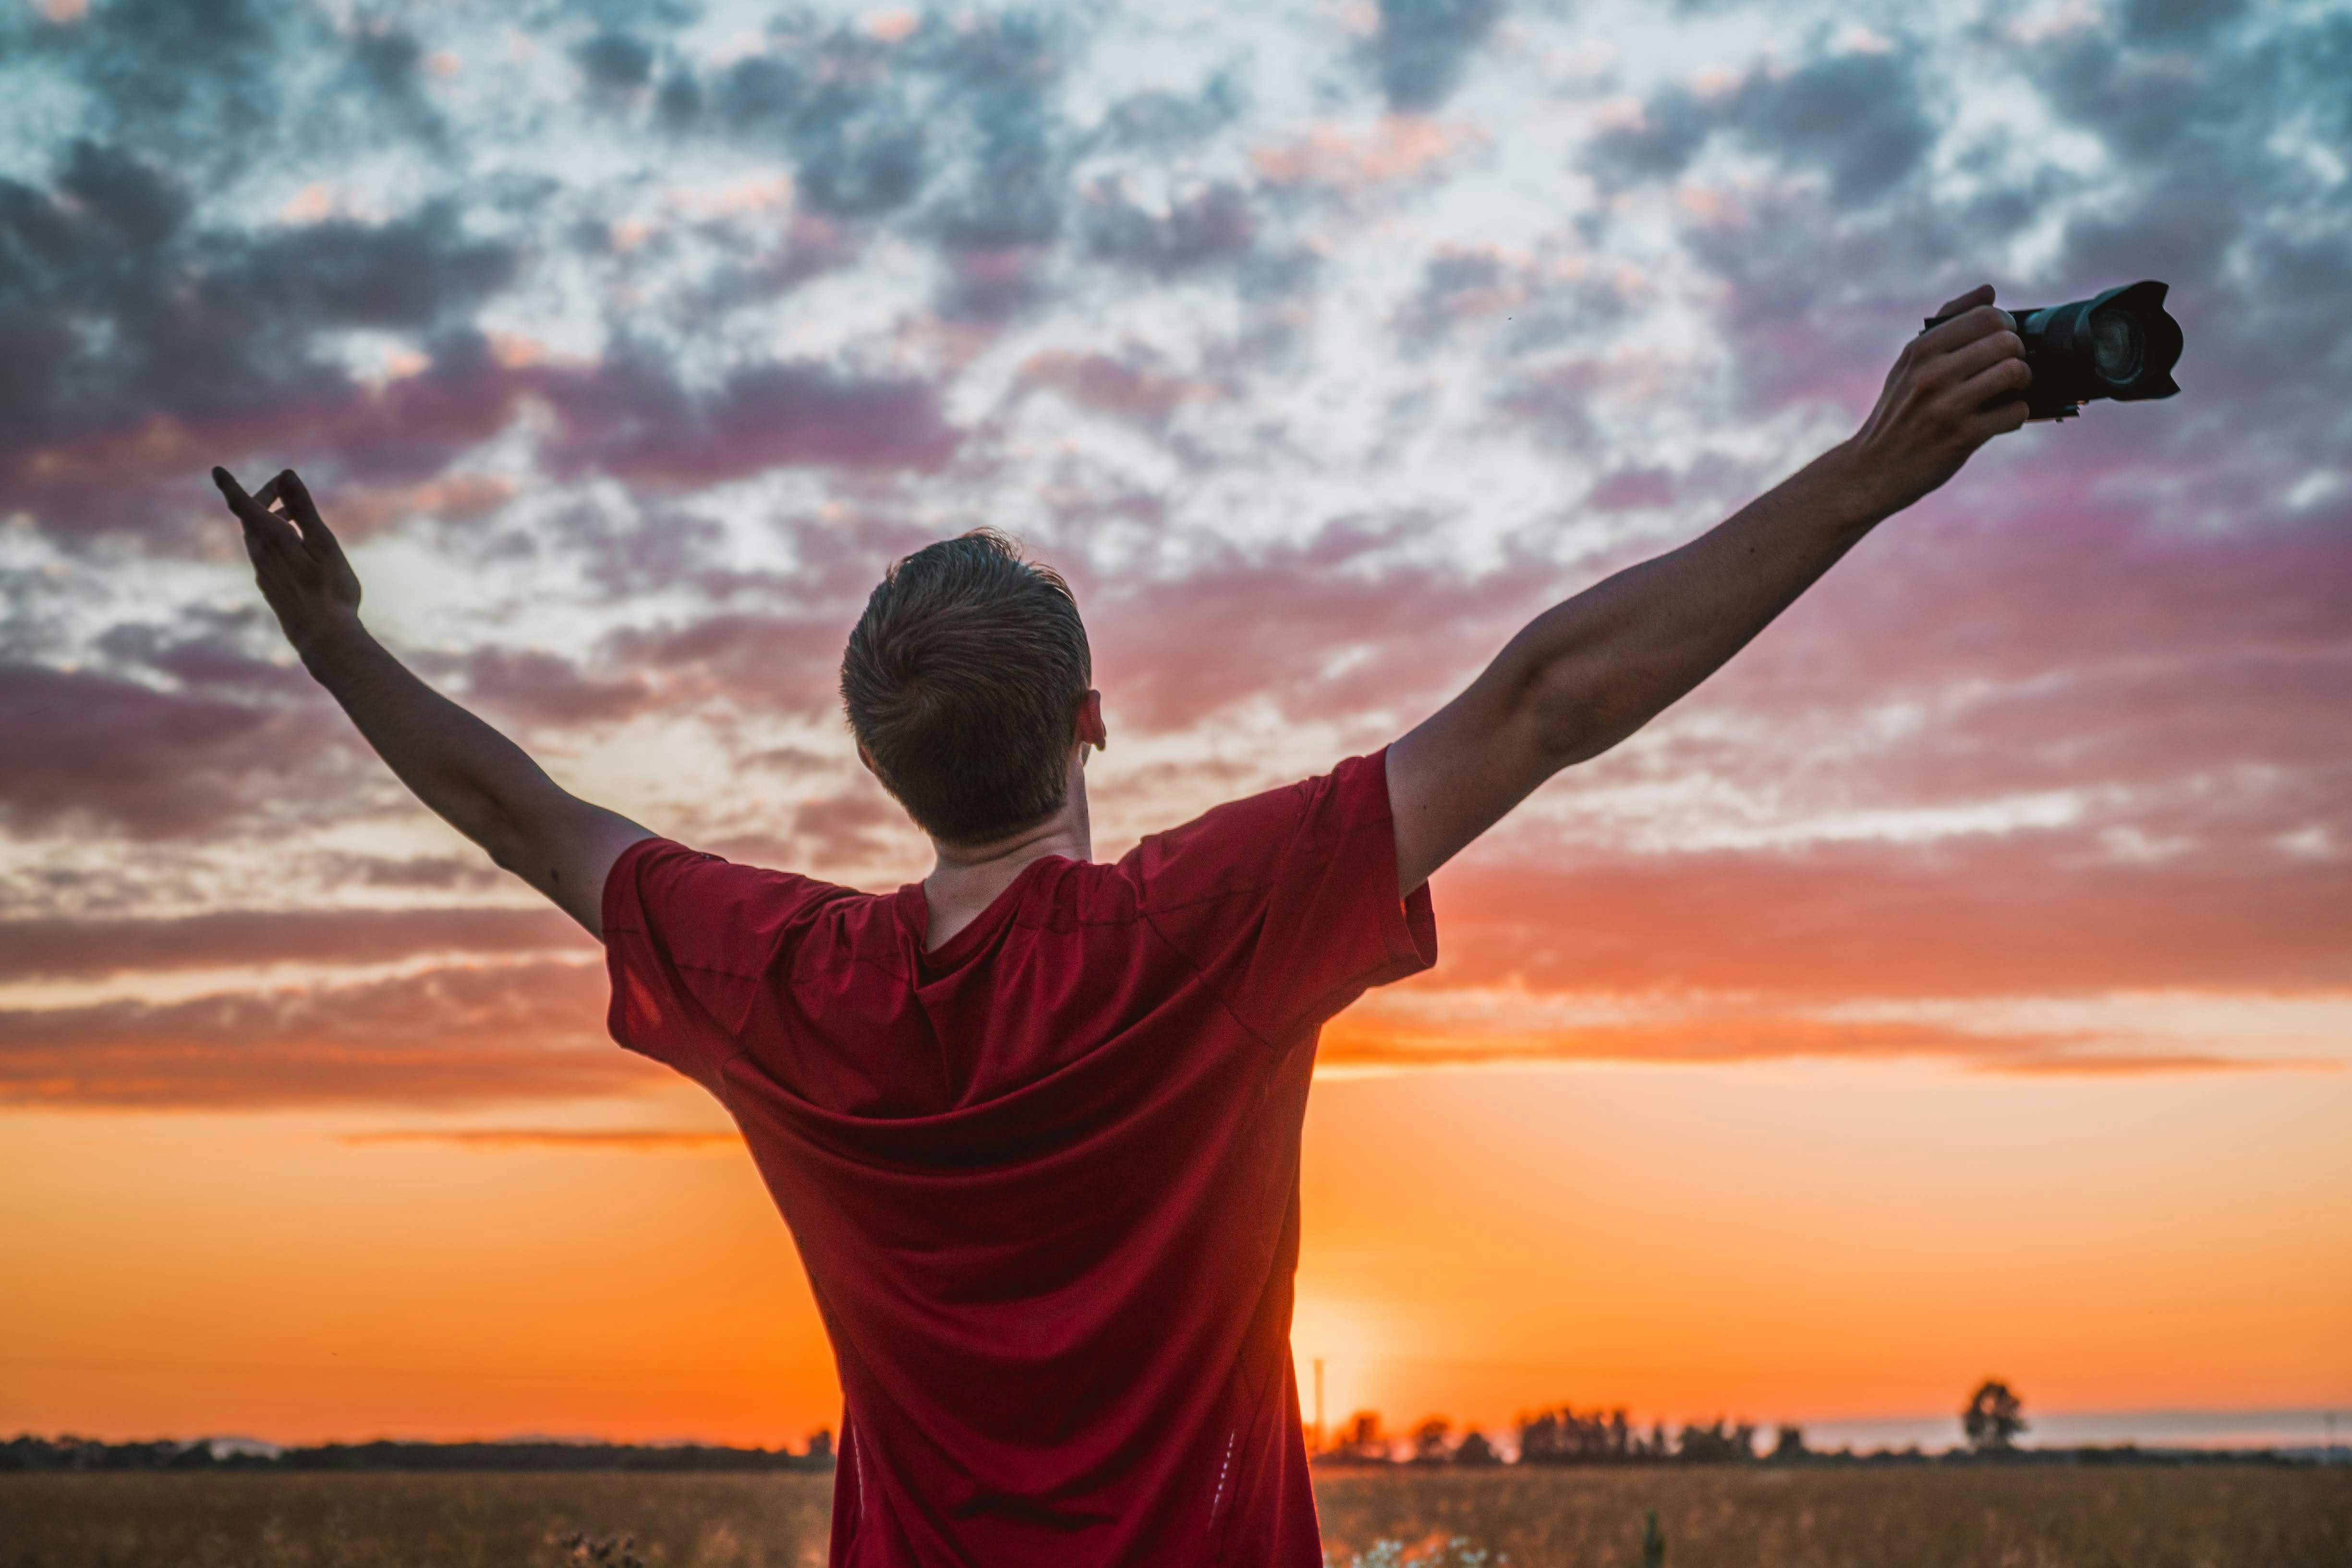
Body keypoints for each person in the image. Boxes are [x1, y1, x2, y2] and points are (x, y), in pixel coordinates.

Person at [212, 286, 2031, 1566]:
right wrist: (1866, 471)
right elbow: (1545, 701)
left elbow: (521, 814)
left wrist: (333, 640)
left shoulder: (783, 983)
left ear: (878, 764)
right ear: (1089, 718)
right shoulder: (1201, 929)